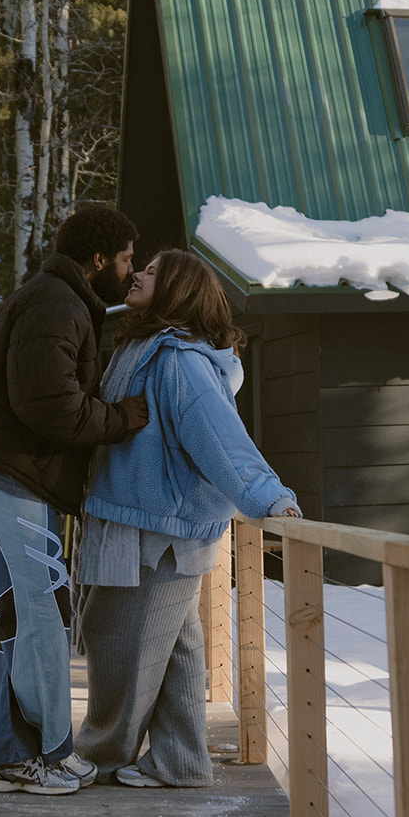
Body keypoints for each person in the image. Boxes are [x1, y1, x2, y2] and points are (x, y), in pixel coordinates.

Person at [0, 205, 149, 796]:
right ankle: (50, 754)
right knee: (43, 608)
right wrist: (117, 418)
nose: (131, 273)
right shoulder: (59, 302)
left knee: (3, 610)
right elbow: (48, 403)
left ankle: (4, 756)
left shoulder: (56, 297)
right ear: (98, 259)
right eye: (127, 259)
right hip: (4, 473)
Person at [76, 248, 300, 788]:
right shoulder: (144, 348)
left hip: (159, 530)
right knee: (175, 648)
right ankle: (181, 762)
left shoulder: (178, 361)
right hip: (146, 519)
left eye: (152, 272)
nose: (137, 275)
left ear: (175, 291)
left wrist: (270, 498)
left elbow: (223, 440)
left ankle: (98, 755)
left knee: (116, 638)